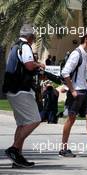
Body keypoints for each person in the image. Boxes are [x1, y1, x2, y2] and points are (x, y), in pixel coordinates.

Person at [2, 24, 45, 167]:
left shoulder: (15, 46)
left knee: (22, 124)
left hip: (12, 90)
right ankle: (14, 149)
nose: (34, 39)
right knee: (35, 120)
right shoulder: (25, 46)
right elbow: (28, 65)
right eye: (34, 37)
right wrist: (39, 65)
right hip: (21, 90)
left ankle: (17, 159)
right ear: (31, 36)